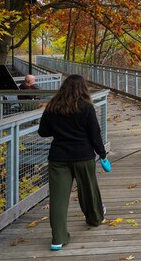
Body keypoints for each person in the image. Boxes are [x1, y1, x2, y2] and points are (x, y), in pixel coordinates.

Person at [38, 74, 107, 251]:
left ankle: (58, 239)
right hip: (83, 156)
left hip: (58, 158)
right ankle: (94, 218)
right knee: (89, 190)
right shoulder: (86, 107)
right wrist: (103, 155)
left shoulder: (52, 106)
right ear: (83, 89)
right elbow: (95, 134)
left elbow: (43, 132)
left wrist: (59, 129)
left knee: (58, 199)